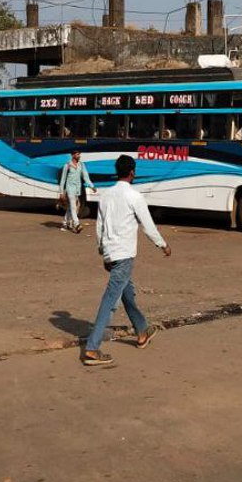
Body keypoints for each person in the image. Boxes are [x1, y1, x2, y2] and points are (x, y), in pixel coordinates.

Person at [81, 156, 171, 368]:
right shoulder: (134, 196)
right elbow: (148, 226)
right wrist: (162, 244)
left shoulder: (106, 196)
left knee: (126, 293)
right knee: (110, 301)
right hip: (124, 255)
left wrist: (103, 251)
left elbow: (99, 227)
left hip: (111, 254)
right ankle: (92, 348)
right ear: (132, 173)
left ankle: (142, 331)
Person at [58, 150, 94, 233]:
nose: (79, 156)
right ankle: (77, 224)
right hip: (69, 188)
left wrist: (91, 186)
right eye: (78, 154)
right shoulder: (67, 166)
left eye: (79, 154)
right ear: (73, 155)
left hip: (77, 189)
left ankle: (65, 223)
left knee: (71, 207)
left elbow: (85, 176)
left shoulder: (81, 165)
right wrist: (61, 192)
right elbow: (63, 180)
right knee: (74, 206)